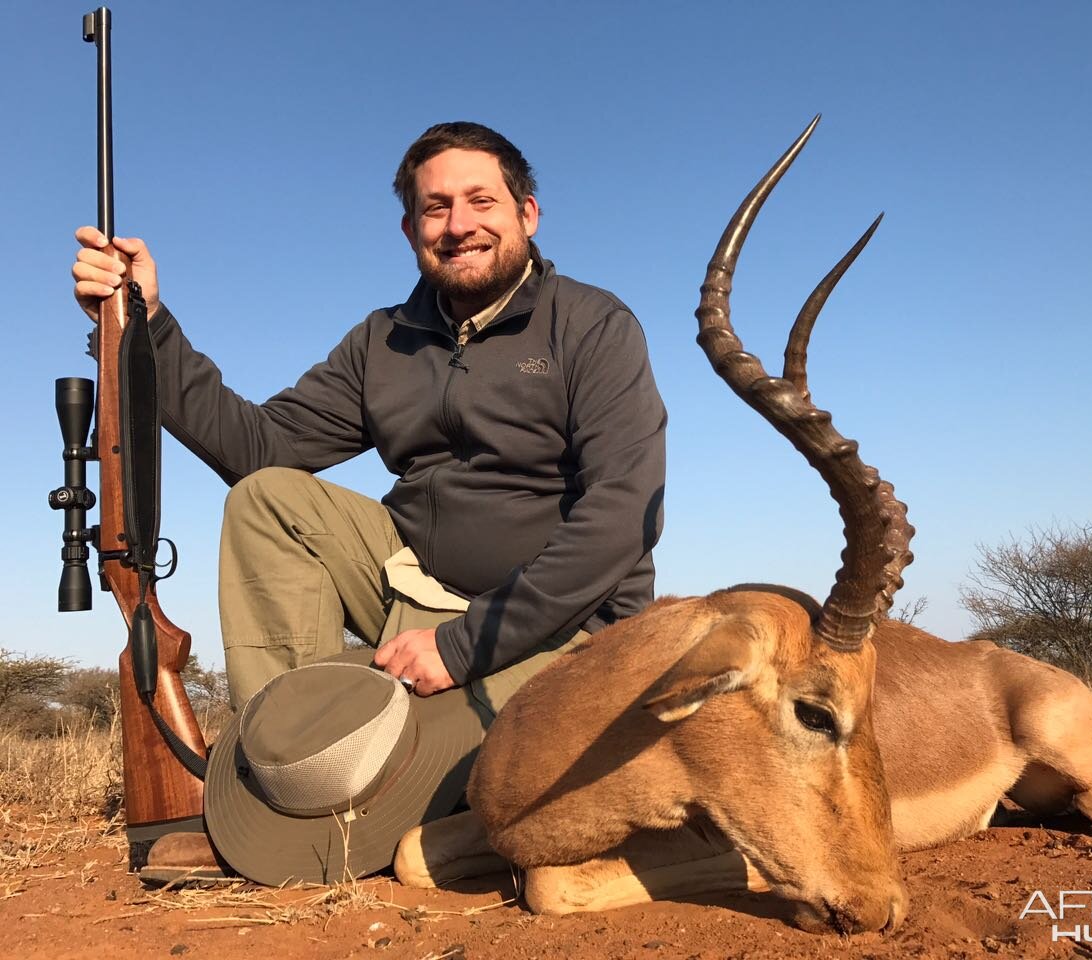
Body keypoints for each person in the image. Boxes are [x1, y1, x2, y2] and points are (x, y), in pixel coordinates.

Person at [72, 122, 667, 874]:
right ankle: (292, 758)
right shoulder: (384, 339)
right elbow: (260, 451)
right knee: (266, 500)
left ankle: (329, 819)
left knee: (439, 776)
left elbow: (623, 516)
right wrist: (146, 327)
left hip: (562, 626)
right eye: (435, 208)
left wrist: (461, 646)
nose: (459, 225)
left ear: (527, 213)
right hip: (416, 592)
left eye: (481, 201)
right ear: (410, 227)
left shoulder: (594, 324)